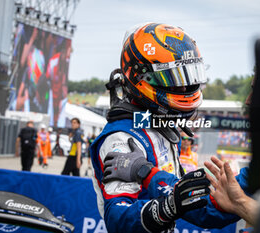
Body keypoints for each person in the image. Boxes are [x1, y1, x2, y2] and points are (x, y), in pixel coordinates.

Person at [90, 22, 250, 233]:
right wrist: (167, 207)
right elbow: (118, 218)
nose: (185, 88)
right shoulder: (122, 137)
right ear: (141, 78)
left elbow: (200, 208)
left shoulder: (160, 127)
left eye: (188, 77)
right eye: (174, 78)